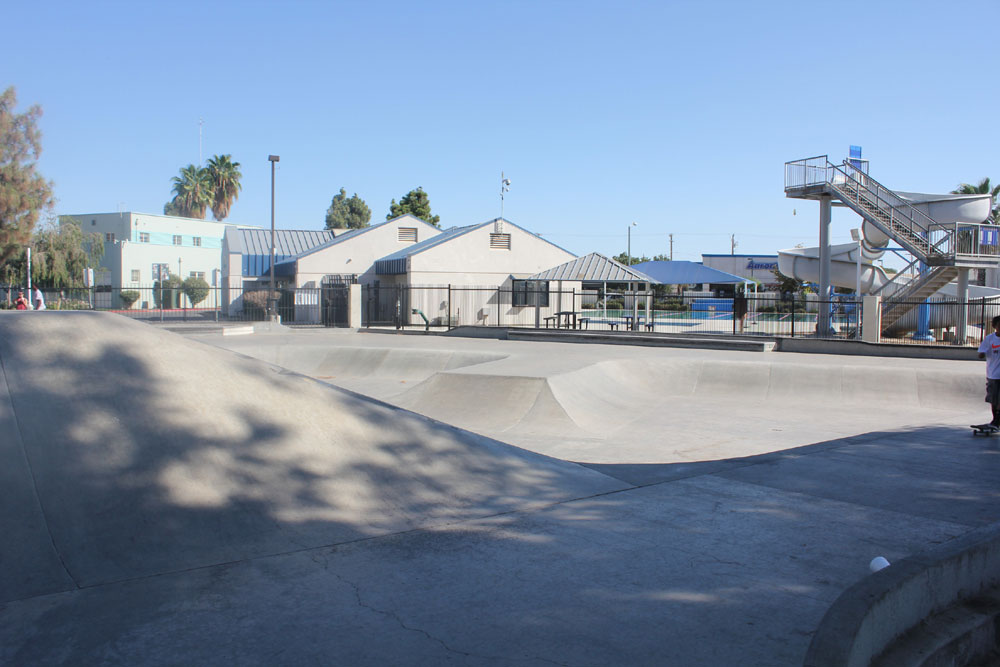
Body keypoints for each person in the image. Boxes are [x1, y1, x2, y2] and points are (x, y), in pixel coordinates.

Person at [975, 314, 1000, 430]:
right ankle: (995, 420)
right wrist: (982, 353)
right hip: (993, 375)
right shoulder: (990, 339)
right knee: (993, 400)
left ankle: (997, 422)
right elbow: (981, 353)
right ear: (995, 326)